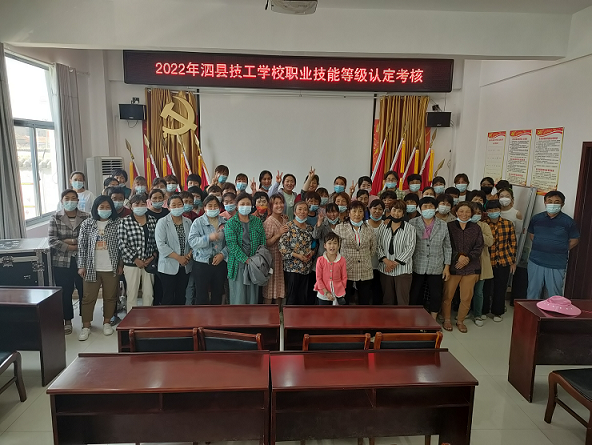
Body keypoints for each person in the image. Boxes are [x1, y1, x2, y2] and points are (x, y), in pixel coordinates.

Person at [77, 196, 121, 341]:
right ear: (96, 208)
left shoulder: (118, 223)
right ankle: (86, 326)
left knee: (110, 297)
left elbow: (122, 246)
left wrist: (120, 264)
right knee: (88, 298)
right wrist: (81, 265)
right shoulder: (87, 223)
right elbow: (82, 246)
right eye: (101, 207)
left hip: (111, 267)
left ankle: (107, 322)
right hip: (91, 267)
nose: (105, 210)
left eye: (108, 207)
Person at [49, 189, 88, 334]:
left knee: (84, 291)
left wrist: (67, 240)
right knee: (65, 292)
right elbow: (52, 240)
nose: (70, 201)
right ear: (62, 201)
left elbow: (89, 237)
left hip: (82, 260)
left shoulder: (86, 216)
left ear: (78, 200)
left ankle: (86, 320)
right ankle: (67, 321)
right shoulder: (55, 217)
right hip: (61, 261)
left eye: (73, 198)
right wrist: (72, 245)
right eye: (67, 198)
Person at [526, 191, 579, 300]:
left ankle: (553, 312)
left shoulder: (568, 222)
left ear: (562, 204)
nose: (552, 204)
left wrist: (559, 248)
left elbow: (575, 240)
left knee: (554, 294)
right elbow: (532, 235)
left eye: (556, 202)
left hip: (556, 264)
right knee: (532, 291)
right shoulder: (536, 218)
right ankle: (532, 312)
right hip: (536, 261)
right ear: (545, 202)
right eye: (549, 201)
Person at [442, 202, 484, 333]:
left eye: (467, 211)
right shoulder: (449, 226)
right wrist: (458, 256)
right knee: (448, 295)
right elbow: (445, 244)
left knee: (466, 297)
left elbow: (479, 246)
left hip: (471, 267)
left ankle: (460, 321)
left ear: (471, 213)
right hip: (453, 266)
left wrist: (467, 258)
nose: (464, 214)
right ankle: (446, 319)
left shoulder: (476, 228)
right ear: (456, 212)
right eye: (461, 211)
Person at [409, 196, 452, 318]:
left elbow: (447, 246)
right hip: (417, 264)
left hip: (436, 264)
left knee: (435, 294)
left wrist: (447, 267)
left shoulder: (443, 224)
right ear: (420, 208)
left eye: (431, 206)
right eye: (425, 206)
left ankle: (433, 318)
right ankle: (413, 317)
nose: (428, 209)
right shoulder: (412, 223)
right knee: (415, 292)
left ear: (436, 208)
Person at [224, 192, 267, 304]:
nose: (245, 206)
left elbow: (262, 241)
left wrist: (256, 259)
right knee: (239, 297)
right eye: (242, 204)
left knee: (253, 296)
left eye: (247, 204)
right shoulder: (231, 223)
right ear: (237, 206)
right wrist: (246, 260)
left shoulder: (257, 221)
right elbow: (232, 245)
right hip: (237, 264)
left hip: (255, 263)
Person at [118, 194, 157, 311]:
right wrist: (135, 259)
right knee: (132, 294)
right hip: (131, 263)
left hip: (149, 263)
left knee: (149, 293)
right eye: (137, 204)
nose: (140, 206)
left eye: (143, 204)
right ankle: (131, 319)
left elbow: (156, 241)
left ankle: (148, 318)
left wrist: (152, 257)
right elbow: (122, 244)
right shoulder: (125, 222)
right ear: (131, 206)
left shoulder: (152, 220)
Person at [333, 201, 376, 305]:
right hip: (346, 268)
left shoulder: (369, 228)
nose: (357, 214)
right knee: (345, 299)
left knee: (364, 300)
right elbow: (335, 249)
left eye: (360, 211)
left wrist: (364, 257)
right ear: (349, 212)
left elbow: (373, 248)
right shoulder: (340, 228)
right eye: (354, 211)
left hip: (365, 269)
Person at [188, 195, 228, 305]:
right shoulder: (198, 222)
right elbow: (192, 241)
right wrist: (208, 238)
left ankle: (215, 316)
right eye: (210, 206)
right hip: (202, 264)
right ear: (204, 208)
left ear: (219, 208)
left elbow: (230, 243)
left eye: (215, 206)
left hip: (219, 263)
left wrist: (222, 255)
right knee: (201, 296)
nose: (213, 208)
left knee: (217, 294)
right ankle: (201, 316)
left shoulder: (225, 222)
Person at [155, 194, 193, 305]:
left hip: (185, 265)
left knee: (181, 296)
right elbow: (161, 245)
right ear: (168, 207)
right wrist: (178, 258)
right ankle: (167, 317)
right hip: (168, 265)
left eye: (179, 204)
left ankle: (180, 316)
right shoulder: (162, 222)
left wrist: (189, 255)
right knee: (168, 296)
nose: (177, 207)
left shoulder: (188, 222)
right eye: (174, 205)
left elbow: (192, 241)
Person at [377, 199, 416, 305]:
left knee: (402, 300)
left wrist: (394, 263)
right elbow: (378, 245)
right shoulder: (383, 226)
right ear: (390, 211)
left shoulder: (410, 228)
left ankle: (403, 317)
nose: (396, 213)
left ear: (403, 213)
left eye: (399, 211)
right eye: (394, 210)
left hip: (403, 270)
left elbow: (410, 248)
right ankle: (388, 316)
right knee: (387, 299)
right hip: (385, 268)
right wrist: (386, 261)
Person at [484, 200, 517, 322]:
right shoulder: (484, 224)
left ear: (500, 210)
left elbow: (513, 243)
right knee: (486, 288)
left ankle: (498, 312)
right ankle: (484, 310)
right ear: (487, 212)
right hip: (488, 261)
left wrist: (512, 261)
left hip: (504, 260)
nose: (493, 212)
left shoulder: (508, 224)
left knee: (501, 288)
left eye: (496, 209)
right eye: (490, 210)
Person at [278, 201, 315, 305]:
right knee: (292, 297)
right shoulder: (288, 226)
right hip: (292, 267)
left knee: (303, 297)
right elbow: (282, 247)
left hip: (306, 267)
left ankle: (301, 315)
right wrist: (297, 255)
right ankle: (289, 315)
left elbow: (314, 245)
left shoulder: (310, 228)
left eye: (305, 209)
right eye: (300, 209)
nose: (302, 212)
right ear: (294, 212)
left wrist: (312, 253)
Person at [470, 203, 494, 327]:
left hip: (481, 262)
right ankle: (465, 312)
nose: (476, 215)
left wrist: (477, 233)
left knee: (479, 291)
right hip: (467, 262)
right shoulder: (463, 224)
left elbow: (490, 242)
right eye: (474, 212)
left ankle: (477, 314)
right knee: (466, 291)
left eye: (479, 213)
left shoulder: (484, 226)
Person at [263, 194, 289, 305]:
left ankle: (279, 313)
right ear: (271, 206)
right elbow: (266, 243)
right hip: (272, 259)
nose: (279, 205)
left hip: (283, 259)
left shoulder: (285, 219)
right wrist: (278, 234)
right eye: (276, 203)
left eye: (281, 203)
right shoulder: (269, 222)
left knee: (280, 289)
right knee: (270, 289)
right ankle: (266, 313)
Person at [314, 232, 348, 305]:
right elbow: (319, 278)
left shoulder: (342, 260)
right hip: (323, 293)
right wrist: (326, 292)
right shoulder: (320, 260)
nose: (332, 246)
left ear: (338, 245)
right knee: (324, 312)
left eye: (335, 243)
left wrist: (342, 289)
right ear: (325, 245)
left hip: (338, 294)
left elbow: (344, 277)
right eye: (329, 243)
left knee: (337, 312)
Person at [367, 199, 385, 304]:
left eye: (380, 209)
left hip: (381, 265)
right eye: (375, 208)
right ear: (370, 209)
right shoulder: (364, 225)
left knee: (378, 292)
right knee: (365, 292)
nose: (377, 211)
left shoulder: (386, 225)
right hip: (367, 265)